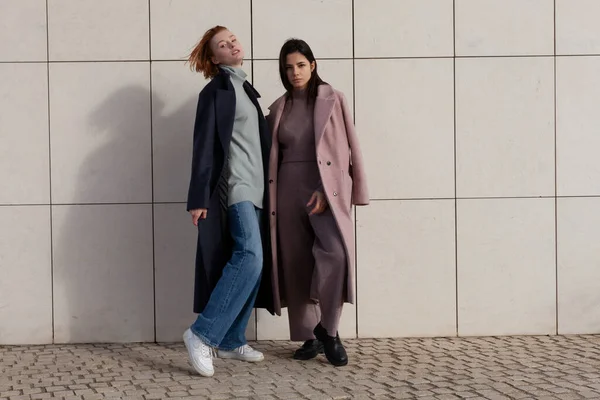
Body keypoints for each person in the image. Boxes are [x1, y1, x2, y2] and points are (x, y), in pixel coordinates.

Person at [266, 39, 369, 367]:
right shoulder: (278, 107)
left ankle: (329, 329)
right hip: (287, 189)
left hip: (325, 190)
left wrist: (332, 190)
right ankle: (309, 336)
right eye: (288, 67)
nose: (294, 72)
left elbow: (348, 148)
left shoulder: (333, 99)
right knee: (296, 263)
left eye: (300, 65)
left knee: (336, 255)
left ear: (313, 64)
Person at [183, 25, 273, 377]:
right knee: (249, 257)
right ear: (214, 57)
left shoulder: (246, 89)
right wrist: (199, 197)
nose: (232, 44)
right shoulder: (215, 93)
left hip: (258, 189)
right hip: (235, 188)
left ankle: (232, 338)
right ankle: (202, 333)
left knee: (256, 262)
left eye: (233, 38)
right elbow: (203, 146)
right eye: (223, 44)